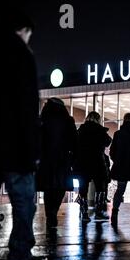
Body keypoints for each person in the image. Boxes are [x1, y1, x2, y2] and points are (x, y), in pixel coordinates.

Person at [0, 11, 41, 260]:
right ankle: (20, 254)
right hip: (15, 146)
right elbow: (27, 106)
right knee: (24, 204)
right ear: (23, 30)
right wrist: (32, 147)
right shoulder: (22, 56)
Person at [36, 98, 77, 229]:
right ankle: (53, 211)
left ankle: (50, 214)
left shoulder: (42, 121)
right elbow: (74, 141)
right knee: (60, 187)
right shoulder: (68, 121)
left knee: (48, 188)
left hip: (46, 160)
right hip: (62, 159)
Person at [74, 111, 112, 222]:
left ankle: (84, 213)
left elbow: (75, 144)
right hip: (97, 161)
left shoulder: (81, 130)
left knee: (83, 188)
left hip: (82, 162)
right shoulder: (100, 130)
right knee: (100, 187)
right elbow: (108, 142)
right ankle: (99, 212)